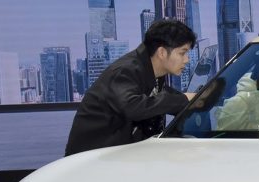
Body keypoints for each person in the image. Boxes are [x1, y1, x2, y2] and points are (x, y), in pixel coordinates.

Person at [65, 19, 197, 156]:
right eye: (182, 53)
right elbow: (133, 107)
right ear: (162, 52)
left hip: (116, 155)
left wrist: (196, 101)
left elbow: (162, 97)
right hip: (89, 159)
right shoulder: (125, 70)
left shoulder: (152, 71)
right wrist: (182, 100)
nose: (186, 59)